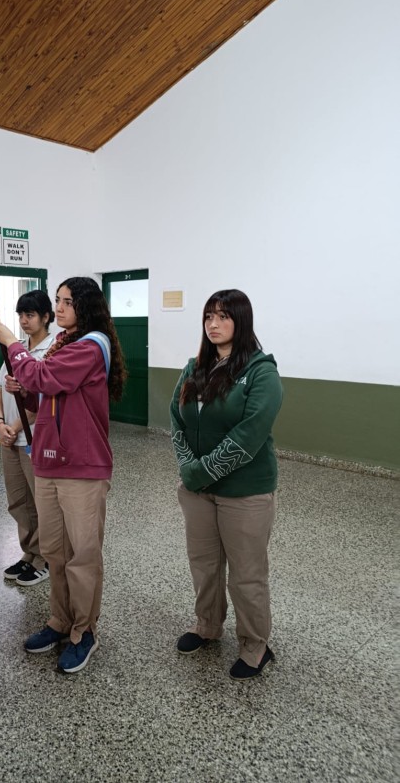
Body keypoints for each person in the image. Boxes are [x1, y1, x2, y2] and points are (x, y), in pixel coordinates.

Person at [0, 277, 126, 674]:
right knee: (55, 551)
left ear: (86, 306)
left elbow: (49, 378)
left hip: (81, 468)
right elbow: (49, 394)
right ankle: (60, 620)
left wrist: (12, 344)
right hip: (49, 462)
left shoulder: (91, 345)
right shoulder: (66, 344)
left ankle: (84, 630)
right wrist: (25, 392)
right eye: (60, 301)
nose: (60, 307)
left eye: (67, 302)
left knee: (82, 555)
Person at [170, 289, 283, 680]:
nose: (213, 324)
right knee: (203, 564)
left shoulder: (261, 371)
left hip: (245, 491)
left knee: (247, 572)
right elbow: (176, 421)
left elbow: (250, 433)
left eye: (223, 317)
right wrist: (189, 467)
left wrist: (200, 472)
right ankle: (207, 626)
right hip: (198, 491)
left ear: (241, 321)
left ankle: (255, 646)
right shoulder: (193, 367)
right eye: (208, 317)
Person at [0, 290, 55, 587]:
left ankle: (47, 559)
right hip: (10, 438)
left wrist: (15, 427)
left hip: (34, 438)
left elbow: (41, 403)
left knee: (41, 501)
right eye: (20, 315)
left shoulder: (52, 350)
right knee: (19, 501)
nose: (24, 320)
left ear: (46, 317)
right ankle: (29, 553)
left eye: (30, 315)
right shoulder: (14, 349)